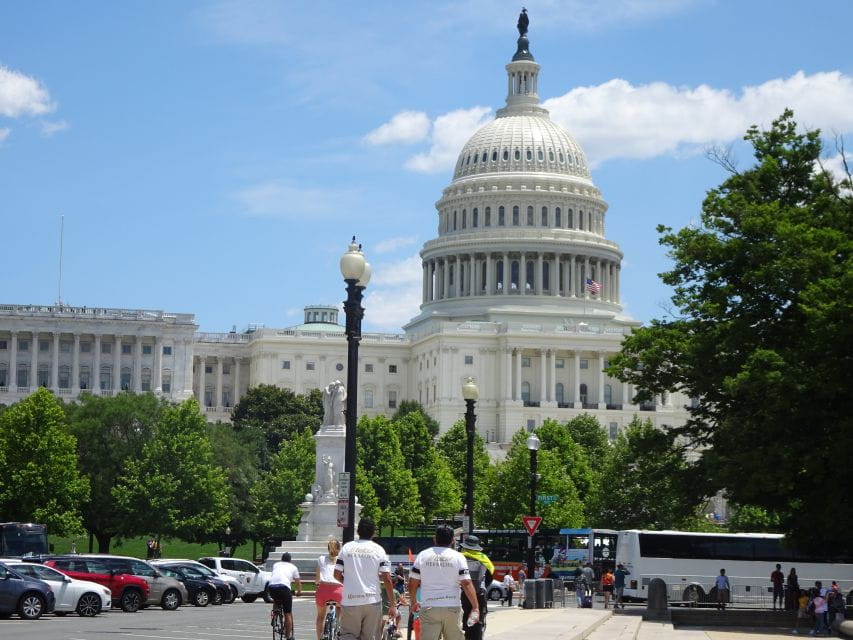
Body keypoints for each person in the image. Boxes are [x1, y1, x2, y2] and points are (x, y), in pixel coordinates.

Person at [408, 525, 479, 640]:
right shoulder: (458, 557)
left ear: (434, 538)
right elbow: (466, 583)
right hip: (452, 606)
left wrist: (413, 601)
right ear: (452, 540)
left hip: (429, 607)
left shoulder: (423, 555)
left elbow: (412, 583)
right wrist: (475, 607)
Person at [334, 518, 396, 640]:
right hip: (372, 600)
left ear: (358, 531)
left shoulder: (347, 548)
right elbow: (387, 578)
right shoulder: (379, 550)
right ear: (374, 532)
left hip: (350, 599)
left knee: (348, 636)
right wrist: (392, 604)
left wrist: (347, 582)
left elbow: (336, 574)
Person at [459, 535, 493, 640]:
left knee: (464, 620)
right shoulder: (484, 559)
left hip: (463, 593)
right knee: (478, 621)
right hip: (480, 594)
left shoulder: (460, 557)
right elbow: (489, 579)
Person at [269, 552, 302, 640]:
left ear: (281, 559)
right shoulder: (293, 567)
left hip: (271, 587)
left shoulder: (276, 564)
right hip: (284, 588)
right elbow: (297, 581)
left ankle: (274, 615)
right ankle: (288, 636)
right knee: (287, 613)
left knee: (276, 599)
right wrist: (299, 592)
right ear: (290, 560)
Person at [315, 539, 343, 640]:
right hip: (338, 591)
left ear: (328, 549)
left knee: (320, 617)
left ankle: (319, 638)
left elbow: (317, 580)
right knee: (342, 608)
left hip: (323, 590)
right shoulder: (342, 560)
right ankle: (338, 626)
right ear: (339, 549)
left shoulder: (321, 559)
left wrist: (318, 586)